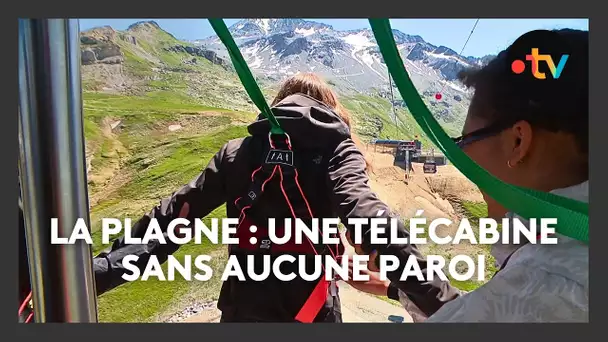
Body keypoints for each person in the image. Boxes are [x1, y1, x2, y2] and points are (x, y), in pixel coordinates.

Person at [117, 72, 460, 323]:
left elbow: (175, 219)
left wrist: (96, 272)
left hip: (242, 310)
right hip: (312, 310)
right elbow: (366, 214)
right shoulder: (338, 149)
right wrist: (446, 304)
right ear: (331, 110)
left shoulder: (239, 151)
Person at [350, 29, 587, 322]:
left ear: (518, 142)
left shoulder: (548, 287)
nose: (463, 156)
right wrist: (398, 287)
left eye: (466, 141)